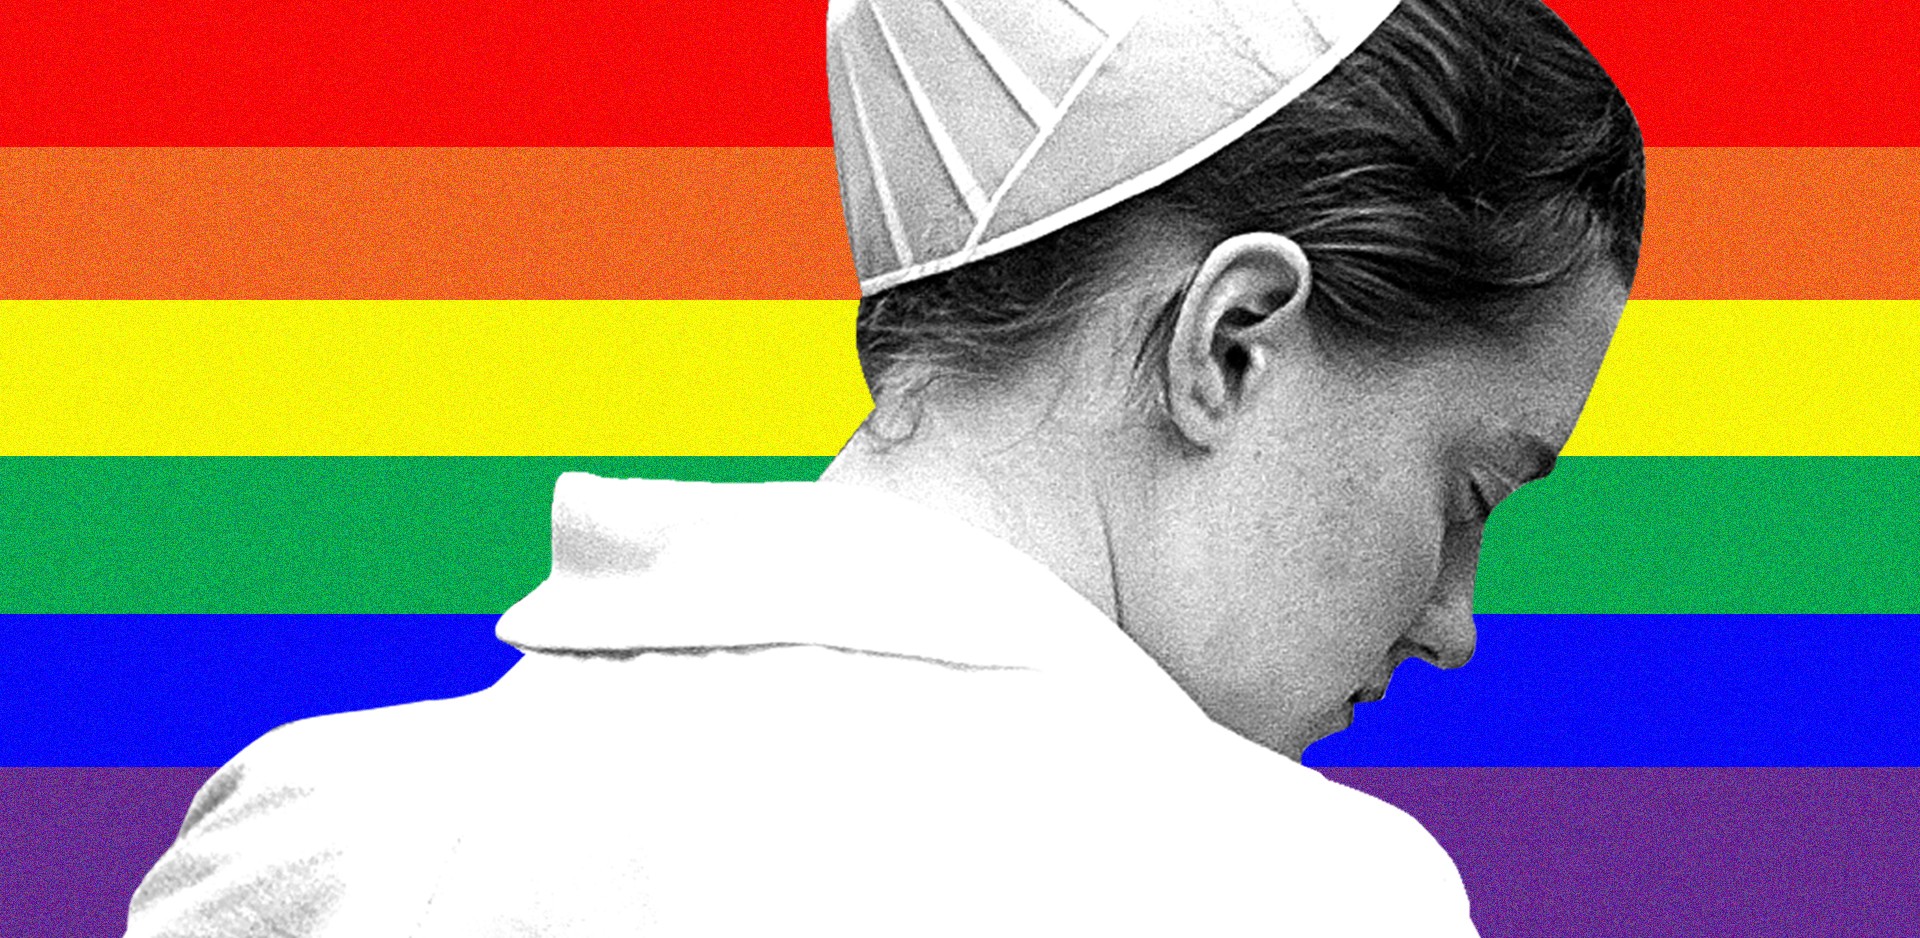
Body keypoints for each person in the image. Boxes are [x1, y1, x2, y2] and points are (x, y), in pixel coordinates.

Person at [125, 0, 1642, 934]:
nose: (1453, 620)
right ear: (1233, 340)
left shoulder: (313, 837)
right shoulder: (1297, 896)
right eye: (1469, 492)